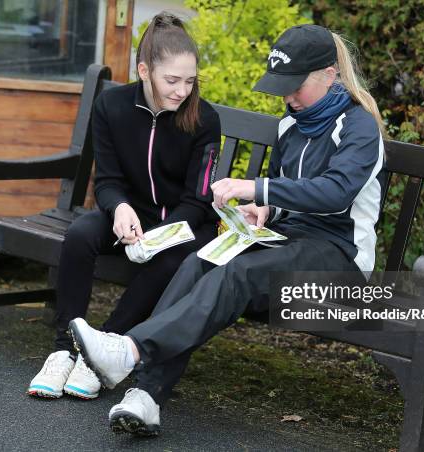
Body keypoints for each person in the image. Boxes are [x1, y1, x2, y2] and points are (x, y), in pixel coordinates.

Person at [68, 23, 386, 435]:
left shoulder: (359, 126)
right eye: (281, 87)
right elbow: (290, 197)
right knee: (202, 260)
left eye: (295, 86)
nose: (287, 97)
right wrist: (266, 211)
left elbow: (335, 194)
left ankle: (129, 350)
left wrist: (254, 186)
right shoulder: (291, 126)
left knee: (240, 271)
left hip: (342, 262)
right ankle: (146, 397)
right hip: (290, 246)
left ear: (329, 74)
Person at [27, 12, 221, 399]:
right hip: (131, 216)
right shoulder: (111, 105)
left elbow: (199, 199)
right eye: (172, 80)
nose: (182, 91)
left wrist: (159, 237)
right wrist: (118, 209)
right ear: (144, 69)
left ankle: (102, 350)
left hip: (183, 227)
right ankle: (64, 348)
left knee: (168, 260)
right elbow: (109, 181)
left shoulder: (205, 120)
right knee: (81, 234)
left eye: (190, 81)